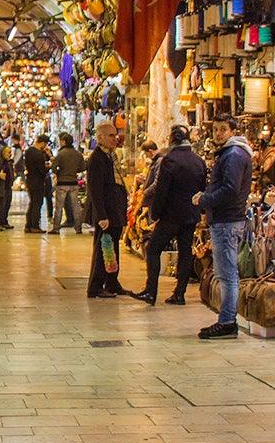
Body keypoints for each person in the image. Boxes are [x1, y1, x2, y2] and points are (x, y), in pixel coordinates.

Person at [193, 116, 254, 339]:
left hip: (227, 221)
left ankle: (228, 322)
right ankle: (227, 320)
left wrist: (205, 199)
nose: (218, 134)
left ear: (232, 131)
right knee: (225, 272)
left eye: (223, 129)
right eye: (215, 129)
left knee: (227, 274)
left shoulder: (234, 155)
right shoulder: (230, 153)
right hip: (224, 219)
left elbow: (230, 190)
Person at [132, 125, 206, 306]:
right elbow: (203, 188)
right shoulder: (198, 161)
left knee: (153, 248)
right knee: (185, 251)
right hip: (190, 214)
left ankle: (151, 291)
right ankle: (179, 293)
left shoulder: (169, 160)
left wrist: (154, 213)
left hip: (172, 215)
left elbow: (161, 190)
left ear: (172, 139)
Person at [85, 121, 129, 298]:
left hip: (115, 210)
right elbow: (95, 189)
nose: (115, 138)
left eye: (115, 134)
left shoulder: (111, 156)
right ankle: (95, 286)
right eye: (111, 135)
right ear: (100, 137)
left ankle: (112, 282)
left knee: (112, 248)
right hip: (107, 213)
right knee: (103, 249)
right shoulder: (97, 159)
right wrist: (102, 215)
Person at [50, 133, 85, 233]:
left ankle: (56, 228)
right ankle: (78, 228)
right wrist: (74, 171)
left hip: (62, 183)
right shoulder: (77, 153)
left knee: (59, 207)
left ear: (64, 142)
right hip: (74, 182)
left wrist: (59, 172)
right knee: (76, 207)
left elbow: (53, 168)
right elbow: (83, 167)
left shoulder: (60, 154)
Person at [22, 134, 52, 233]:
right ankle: (35, 226)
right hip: (38, 181)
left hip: (30, 179)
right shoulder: (38, 154)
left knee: (32, 203)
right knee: (37, 203)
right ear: (43, 143)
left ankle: (28, 225)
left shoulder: (28, 151)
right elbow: (42, 170)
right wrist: (48, 167)